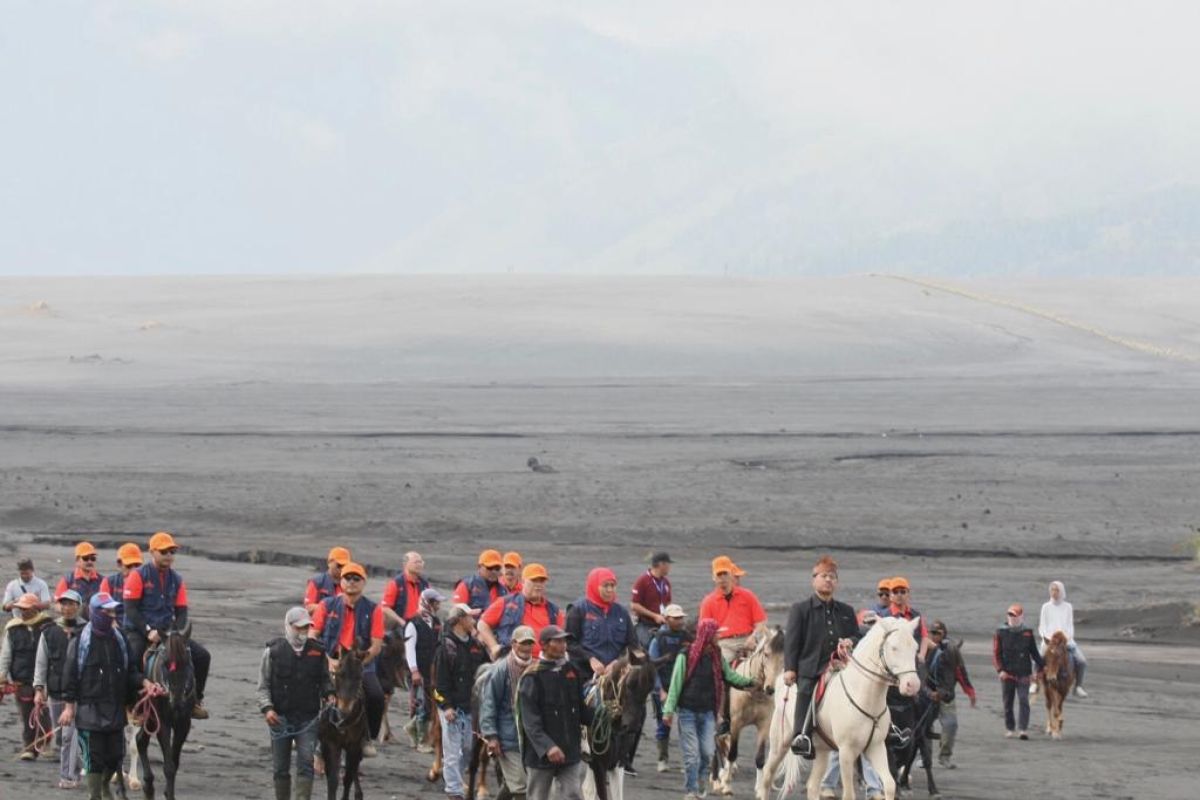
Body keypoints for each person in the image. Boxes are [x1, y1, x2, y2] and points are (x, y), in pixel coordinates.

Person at [60, 592, 149, 800]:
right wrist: (69, 707)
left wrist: (145, 682)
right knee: (93, 759)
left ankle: (103, 786)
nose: (112, 615)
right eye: (107, 611)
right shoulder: (80, 641)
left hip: (115, 709)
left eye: (113, 611)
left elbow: (131, 671)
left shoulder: (121, 640)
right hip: (89, 710)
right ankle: (95, 794)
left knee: (116, 756)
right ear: (95, 613)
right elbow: (69, 676)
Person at [662, 618, 757, 800]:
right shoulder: (686, 655)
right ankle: (691, 791)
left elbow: (730, 676)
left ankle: (700, 784)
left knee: (706, 753)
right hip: (687, 712)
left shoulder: (716, 656)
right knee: (692, 754)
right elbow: (676, 685)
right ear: (707, 634)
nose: (718, 636)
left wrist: (750, 682)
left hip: (707, 713)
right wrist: (668, 711)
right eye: (716, 633)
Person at [122, 531, 212, 719]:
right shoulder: (138, 576)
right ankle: (131, 704)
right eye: (164, 552)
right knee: (133, 657)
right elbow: (130, 609)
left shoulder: (177, 579)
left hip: (167, 631)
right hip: (140, 630)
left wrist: (175, 634)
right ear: (152, 552)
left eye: (172, 552)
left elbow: (181, 611)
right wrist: (148, 631)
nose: (169, 556)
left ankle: (195, 700)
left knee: (202, 656)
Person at [783, 555, 859, 758]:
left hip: (843, 666)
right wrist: (790, 668)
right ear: (814, 579)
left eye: (832, 577)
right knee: (806, 690)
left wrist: (850, 641)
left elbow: (856, 635)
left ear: (837, 582)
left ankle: (884, 731)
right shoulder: (800, 609)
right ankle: (801, 736)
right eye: (824, 576)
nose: (828, 580)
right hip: (812, 667)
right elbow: (792, 641)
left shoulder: (846, 610)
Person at [256, 606, 334, 800]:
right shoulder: (272, 652)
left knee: (306, 766)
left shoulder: (318, 652)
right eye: (299, 628)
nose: (303, 632)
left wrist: (330, 694)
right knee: (280, 768)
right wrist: (267, 709)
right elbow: (263, 686)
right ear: (288, 626)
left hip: (308, 719)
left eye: (306, 628)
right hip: (279, 718)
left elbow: (325, 680)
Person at [311, 561, 386, 755]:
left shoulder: (374, 609)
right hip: (331, 660)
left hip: (360, 664)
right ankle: (305, 732)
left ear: (363, 582)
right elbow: (313, 635)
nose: (351, 582)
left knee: (376, 696)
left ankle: (367, 737)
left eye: (356, 578)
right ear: (341, 581)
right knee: (307, 689)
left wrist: (360, 664)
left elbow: (376, 645)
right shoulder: (326, 605)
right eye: (347, 578)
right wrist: (327, 660)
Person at [518, 625, 594, 800]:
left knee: (573, 794)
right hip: (541, 756)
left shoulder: (572, 672)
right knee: (538, 797)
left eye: (564, 641)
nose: (563, 645)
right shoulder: (532, 677)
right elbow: (530, 722)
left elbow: (581, 710)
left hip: (570, 751)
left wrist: (603, 719)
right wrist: (548, 747)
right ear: (544, 645)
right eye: (557, 641)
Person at [818, 608, 885, 800]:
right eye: (867, 621)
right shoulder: (857, 636)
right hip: (844, 686)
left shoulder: (872, 641)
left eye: (872, 622)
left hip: (864, 693)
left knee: (869, 742)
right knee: (843, 745)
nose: (869, 625)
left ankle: (873, 789)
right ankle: (828, 783)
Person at [432, 602, 489, 800]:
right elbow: (439, 684)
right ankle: (454, 791)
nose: (474, 621)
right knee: (452, 751)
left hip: (470, 706)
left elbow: (486, 668)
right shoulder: (445, 648)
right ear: (459, 620)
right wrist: (446, 707)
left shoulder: (475, 646)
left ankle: (454, 778)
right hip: (451, 707)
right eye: (470, 618)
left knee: (468, 748)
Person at [34, 589, 85, 787]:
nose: (67, 607)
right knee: (61, 736)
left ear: (78, 607)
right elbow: (41, 663)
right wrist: (39, 689)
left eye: (71, 603)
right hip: (55, 692)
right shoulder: (49, 631)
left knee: (69, 736)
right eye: (63, 603)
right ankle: (78, 768)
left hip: (78, 693)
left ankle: (68, 777)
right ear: (58, 606)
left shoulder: (87, 630)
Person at [480, 624, 537, 800]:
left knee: (513, 783)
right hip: (507, 738)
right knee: (520, 788)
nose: (527, 647)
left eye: (530, 643)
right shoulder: (501, 670)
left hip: (531, 738)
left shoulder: (537, 669)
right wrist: (491, 736)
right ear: (514, 644)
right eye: (523, 643)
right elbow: (489, 704)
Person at [0, 592, 53, 760]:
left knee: (43, 715)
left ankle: (44, 743)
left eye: (26, 608)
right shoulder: (13, 628)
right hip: (20, 680)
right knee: (26, 714)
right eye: (20, 608)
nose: (23, 611)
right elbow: (6, 655)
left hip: (44, 679)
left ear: (34, 608)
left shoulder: (48, 626)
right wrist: (2, 678)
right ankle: (29, 748)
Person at [565, 567, 638, 683]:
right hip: (584, 675)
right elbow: (569, 643)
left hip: (617, 675)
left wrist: (618, 662)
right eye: (605, 586)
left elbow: (633, 644)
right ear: (594, 585)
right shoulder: (578, 610)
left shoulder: (622, 613)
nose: (609, 590)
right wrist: (590, 659)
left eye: (612, 585)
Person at [478, 563, 564, 659]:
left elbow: (561, 638)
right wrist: (494, 646)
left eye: (542, 581)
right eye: (534, 580)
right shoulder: (506, 602)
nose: (538, 584)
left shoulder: (555, 611)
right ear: (523, 581)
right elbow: (482, 624)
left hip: (543, 663)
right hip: (512, 660)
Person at [699, 556, 768, 664]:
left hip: (748, 639)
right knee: (719, 667)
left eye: (725, 574)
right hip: (724, 644)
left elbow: (761, 622)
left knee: (768, 662)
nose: (722, 578)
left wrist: (753, 636)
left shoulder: (747, 595)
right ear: (714, 577)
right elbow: (704, 630)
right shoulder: (708, 602)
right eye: (719, 574)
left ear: (731, 574)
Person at [647, 604, 690, 773]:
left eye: (681, 618)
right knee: (663, 723)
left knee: (686, 724)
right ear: (666, 619)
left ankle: (687, 759)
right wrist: (660, 690)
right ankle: (662, 758)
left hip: (683, 686)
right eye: (676, 618)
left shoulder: (687, 637)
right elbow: (652, 666)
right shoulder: (658, 639)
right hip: (663, 686)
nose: (680, 621)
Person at [927, 620, 975, 769]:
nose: (935, 636)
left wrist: (970, 692)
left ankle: (945, 756)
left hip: (946, 695)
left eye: (938, 633)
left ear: (944, 634)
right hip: (927, 695)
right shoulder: (924, 649)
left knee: (950, 725)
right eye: (932, 633)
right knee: (924, 728)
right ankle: (925, 757)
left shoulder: (952, 650)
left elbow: (960, 672)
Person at [992, 603, 1044, 739]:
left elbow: (1034, 653)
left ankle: (1023, 729)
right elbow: (996, 654)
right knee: (1008, 702)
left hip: (1023, 672)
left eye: (1015, 615)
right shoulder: (1000, 632)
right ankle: (1010, 728)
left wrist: (1042, 668)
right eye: (1010, 615)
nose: (1012, 618)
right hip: (1007, 673)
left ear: (1021, 617)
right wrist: (1000, 670)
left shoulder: (1027, 633)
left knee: (1023, 699)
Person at [402, 587, 445, 752]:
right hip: (418, 670)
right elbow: (409, 649)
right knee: (422, 704)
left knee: (430, 702)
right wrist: (414, 671)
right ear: (428, 603)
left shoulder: (436, 623)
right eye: (436, 602)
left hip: (431, 670)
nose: (438, 606)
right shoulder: (413, 623)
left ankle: (412, 728)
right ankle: (421, 741)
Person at [1036, 581, 1088, 698]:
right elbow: (1042, 626)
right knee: (1036, 659)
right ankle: (1035, 682)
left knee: (1082, 661)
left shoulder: (1068, 607)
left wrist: (1065, 639)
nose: (1054, 592)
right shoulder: (1046, 607)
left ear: (1061, 591)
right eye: (1052, 590)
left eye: (1056, 590)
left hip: (1065, 640)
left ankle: (1078, 686)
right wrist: (1048, 638)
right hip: (1049, 640)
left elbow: (1070, 626)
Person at [879, 576, 931, 658]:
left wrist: (922, 655)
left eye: (902, 592)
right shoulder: (884, 616)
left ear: (908, 594)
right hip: (893, 659)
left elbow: (924, 637)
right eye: (895, 592)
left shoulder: (916, 615)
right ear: (891, 596)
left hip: (914, 657)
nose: (899, 595)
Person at [630, 551, 673, 648]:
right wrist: (654, 616)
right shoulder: (643, 581)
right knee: (649, 644)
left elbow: (668, 602)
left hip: (662, 622)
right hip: (645, 624)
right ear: (661, 564)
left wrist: (670, 614)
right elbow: (634, 605)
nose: (670, 567)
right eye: (668, 564)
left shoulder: (666, 582)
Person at [100, 543, 143, 630]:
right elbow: (104, 607)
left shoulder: (147, 583)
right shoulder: (109, 582)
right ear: (119, 564)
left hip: (138, 627)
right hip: (115, 627)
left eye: (137, 566)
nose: (133, 570)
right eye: (129, 566)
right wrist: (111, 622)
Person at [381, 551, 429, 622]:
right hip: (400, 624)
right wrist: (401, 621)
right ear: (405, 564)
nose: (419, 565)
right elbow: (385, 608)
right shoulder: (396, 583)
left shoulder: (424, 584)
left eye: (421, 562)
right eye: (416, 562)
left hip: (419, 623)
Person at [55, 542, 104, 612]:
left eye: (93, 559)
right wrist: (67, 611)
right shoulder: (67, 581)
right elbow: (57, 604)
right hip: (75, 620)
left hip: (96, 621)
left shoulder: (103, 581)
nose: (90, 561)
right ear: (77, 560)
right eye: (85, 558)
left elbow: (108, 604)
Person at [304, 546, 350, 615]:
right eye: (339, 565)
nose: (342, 569)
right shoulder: (317, 582)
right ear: (329, 563)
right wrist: (331, 606)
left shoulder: (350, 584)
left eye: (345, 566)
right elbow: (308, 608)